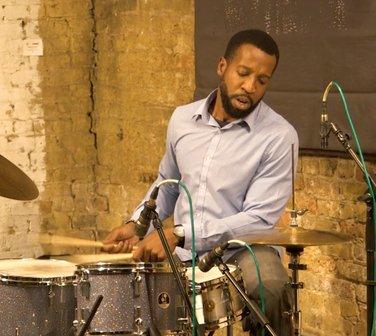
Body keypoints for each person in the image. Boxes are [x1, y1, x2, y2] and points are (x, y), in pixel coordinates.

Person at [102, 29, 298, 336]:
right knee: (138, 293)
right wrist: (136, 226)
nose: (249, 87)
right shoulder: (182, 120)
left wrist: (179, 234)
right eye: (243, 73)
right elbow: (167, 185)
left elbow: (259, 220)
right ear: (222, 67)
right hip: (183, 247)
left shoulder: (278, 136)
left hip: (243, 248)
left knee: (270, 285)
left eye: (262, 80)